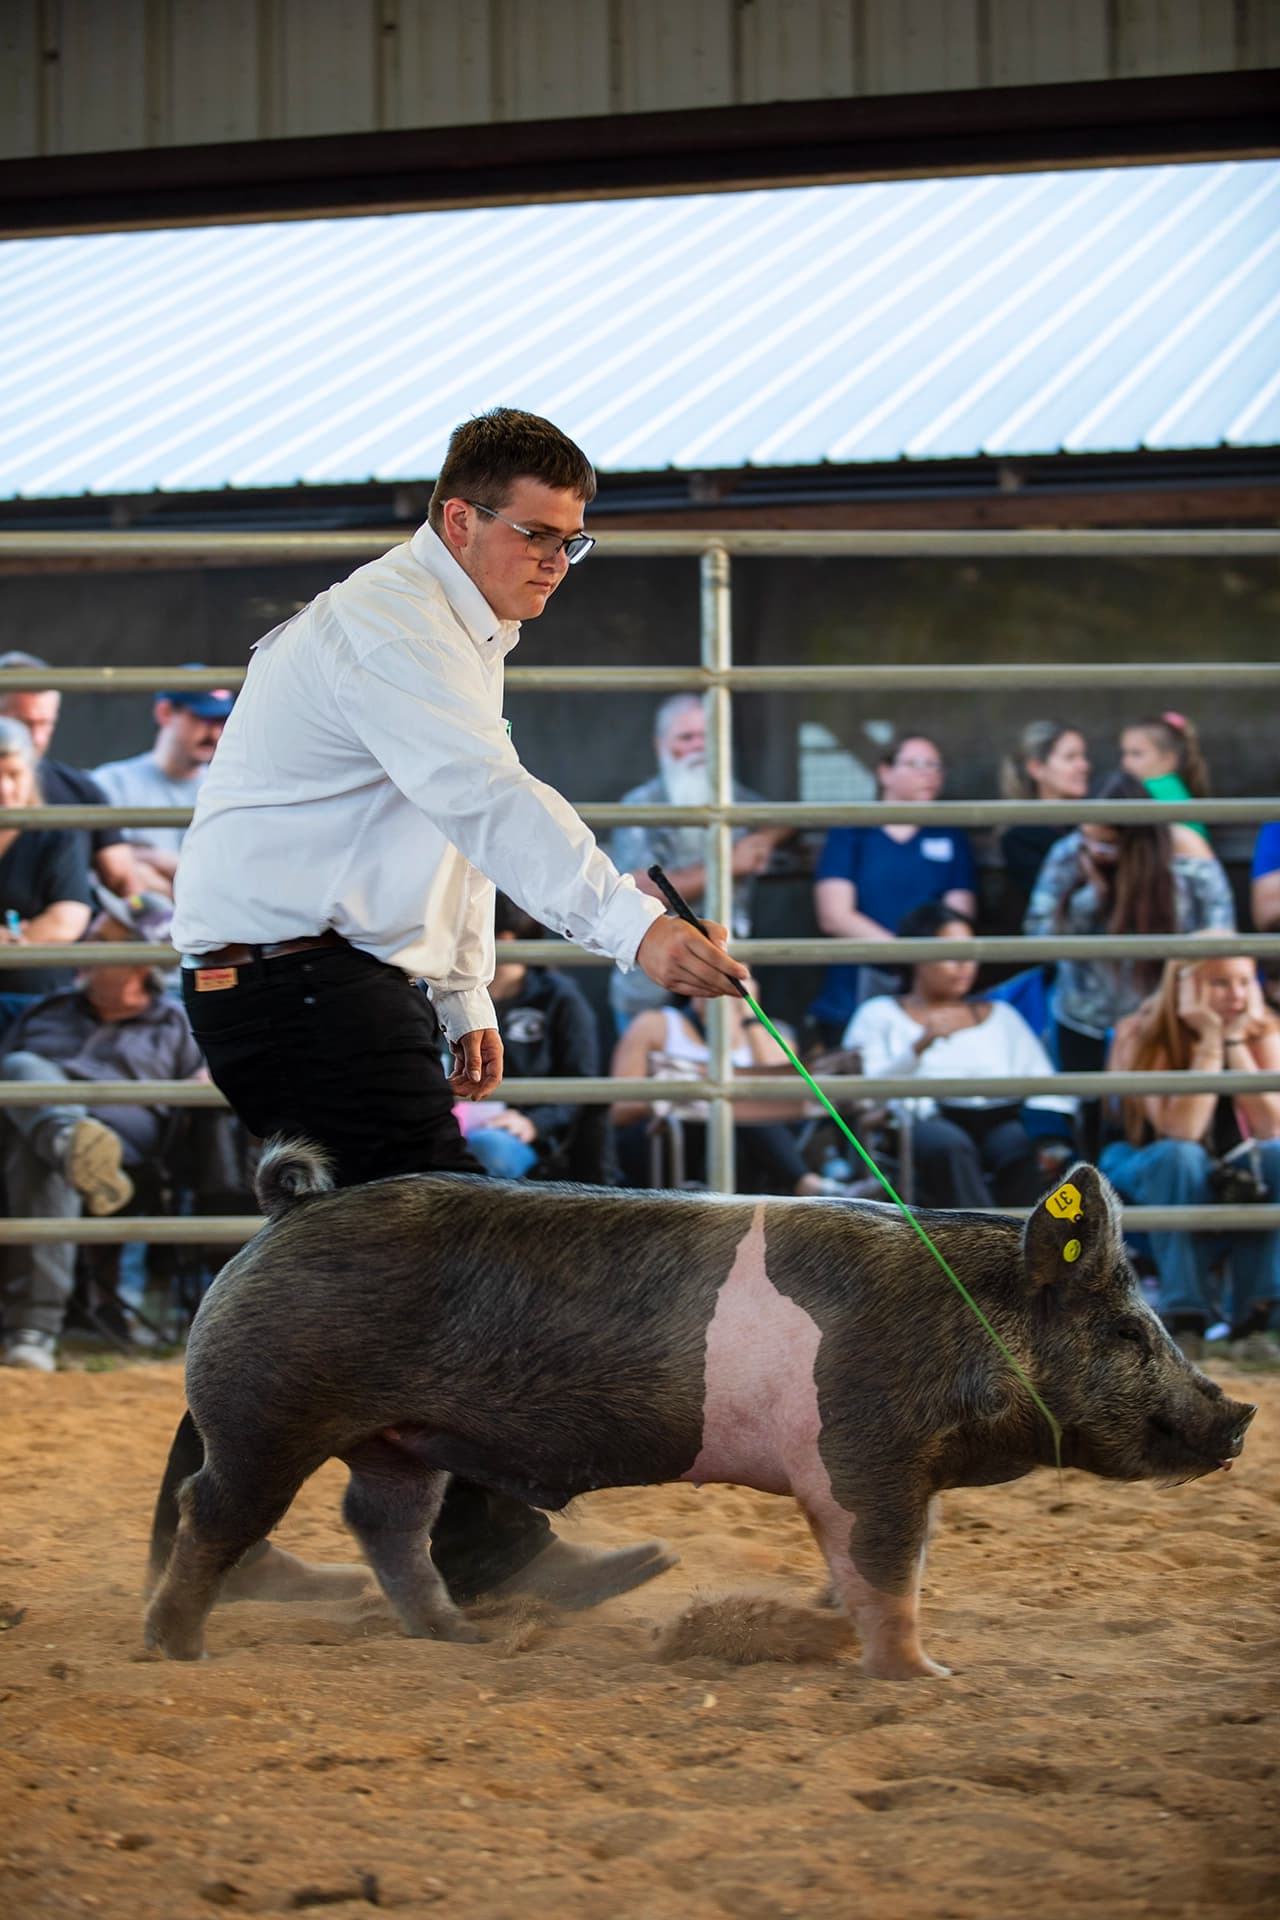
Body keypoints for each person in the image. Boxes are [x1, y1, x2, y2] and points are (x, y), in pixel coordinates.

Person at [158, 406, 747, 1616]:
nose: (554, 561)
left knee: (341, 1271)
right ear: (457, 517)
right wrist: (635, 927)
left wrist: (462, 980)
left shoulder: (442, 626)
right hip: (295, 977)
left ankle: (214, 1543)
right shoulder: (393, 627)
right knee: (437, 1263)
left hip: (310, 977)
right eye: (536, 533)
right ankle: (491, 1553)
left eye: (572, 543)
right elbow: (481, 797)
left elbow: (439, 816)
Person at [1, 887, 204, 1372]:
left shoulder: (177, 1023)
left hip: (131, 1148)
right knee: (26, 1073)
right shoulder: (48, 1008)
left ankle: (35, 1327)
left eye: (103, 938)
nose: (88, 941)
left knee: (44, 1141)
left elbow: (205, 1091)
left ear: (138, 963)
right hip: (30, 1132)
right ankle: (70, 1140)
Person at [1100, 955, 1280, 1356]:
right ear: (1183, 987)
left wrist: (1235, 1043)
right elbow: (1182, 1130)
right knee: (1181, 1159)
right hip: (1141, 1159)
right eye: (1219, 983)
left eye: (1244, 982)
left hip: (1231, 1160)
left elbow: (1272, 1129)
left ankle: (1258, 1318)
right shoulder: (1140, 1032)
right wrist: (1211, 1043)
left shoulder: (1263, 1029)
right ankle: (1187, 1316)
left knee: (1277, 1157)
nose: (1235, 994)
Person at [843, 902, 1073, 1210]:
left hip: (998, 1116)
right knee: (950, 1145)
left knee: (1017, 1144)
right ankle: (983, 1247)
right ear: (917, 957)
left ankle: (1022, 1242)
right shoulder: (878, 1014)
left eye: (970, 952)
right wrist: (919, 1047)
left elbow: (1045, 1083)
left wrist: (1050, 1131)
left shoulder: (1001, 1015)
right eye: (951, 953)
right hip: (922, 1120)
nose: (965, 964)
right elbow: (866, 1096)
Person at [1024, 769, 1235, 1080]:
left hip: (1163, 1016)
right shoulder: (1070, 854)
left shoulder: (1184, 857)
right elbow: (1036, 936)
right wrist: (1092, 897)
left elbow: (1220, 932)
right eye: (1089, 837)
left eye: (1108, 844)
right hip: (1083, 1015)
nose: (1096, 850)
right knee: (1087, 1108)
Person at [608, 693, 786, 1030]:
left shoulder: (736, 798)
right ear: (661, 745)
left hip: (725, 975)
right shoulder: (640, 804)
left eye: (708, 736)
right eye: (686, 737)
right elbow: (636, 887)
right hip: (651, 985)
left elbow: (784, 818)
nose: (698, 746)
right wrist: (729, 865)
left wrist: (766, 837)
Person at [610, 975, 874, 1198]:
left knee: (745, 1107)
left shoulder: (770, 1034)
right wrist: (688, 1099)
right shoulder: (656, 1024)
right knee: (733, 1105)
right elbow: (621, 1109)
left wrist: (749, 1014)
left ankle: (807, 1185)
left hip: (750, 1146)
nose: (716, 981)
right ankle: (809, 1186)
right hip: (667, 1138)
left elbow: (785, 1094)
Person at [808, 734, 977, 1047]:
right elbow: (834, 915)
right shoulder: (851, 830)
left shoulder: (949, 834)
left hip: (929, 992)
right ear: (884, 772)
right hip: (854, 989)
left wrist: (925, 963)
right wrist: (905, 955)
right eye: (916, 764)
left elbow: (959, 913)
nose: (930, 773)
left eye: (936, 766)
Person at [457, 895, 602, 1181]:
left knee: (488, 1148)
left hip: (523, 1137)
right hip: (445, 1122)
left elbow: (582, 1085)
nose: (452, 946)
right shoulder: (440, 991)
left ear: (507, 940)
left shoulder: (559, 999)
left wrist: (532, 1122)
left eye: (463, 935)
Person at [0, 650, 162, 899]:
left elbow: (124, 881)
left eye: (46, 723)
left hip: (64, 929)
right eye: (23, 723)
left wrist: (146, 908)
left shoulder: (79, 789)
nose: (37, 738)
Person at [92, 671, 235, 891]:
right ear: (165, 712)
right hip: (133, 920)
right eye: (203, 718)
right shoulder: (111, 782)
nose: (215, 733)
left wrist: (155, 859)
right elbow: (103, 865)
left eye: (222, 721)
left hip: (211, 918)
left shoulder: (234, 790)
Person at [0, 716, 94, 1041]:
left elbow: (69, 918)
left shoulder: (56, 835)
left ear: (32, 775)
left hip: (40, 1002)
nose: (5, 789)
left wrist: (11, 943)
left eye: (14, 774)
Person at [997, 720, 1091, 929]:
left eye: (1083, 757)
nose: (1084, 766)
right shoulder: (1020, 836)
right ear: (1037, 768)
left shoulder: (1093, 824)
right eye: (1070, 758)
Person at [1119, 711, 1212, 841]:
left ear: (1168, 760)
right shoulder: (1174, 785)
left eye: (1136, 754)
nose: (1126, 762)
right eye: (1124, 753)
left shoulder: (1153, 787)